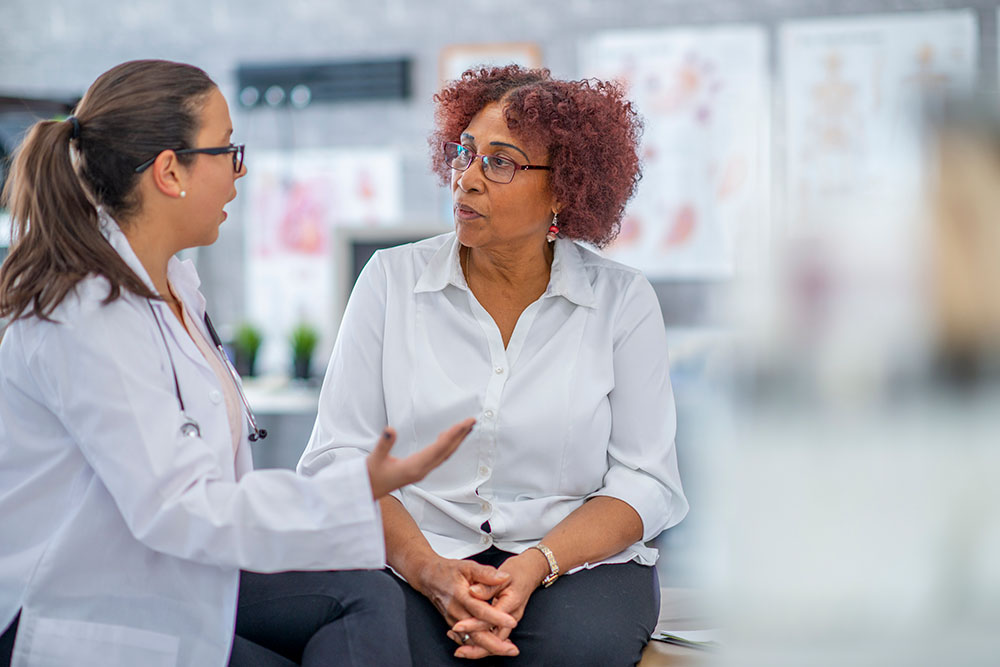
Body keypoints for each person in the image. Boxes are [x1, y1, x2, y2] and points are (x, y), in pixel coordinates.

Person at [0, 59, 475, 667]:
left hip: (164, 562)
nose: (239, 172)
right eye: (228, 150)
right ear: (170, 171)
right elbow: (179, 508)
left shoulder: (172, 283)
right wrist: (356, 489)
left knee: (365, 593)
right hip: (74, 601)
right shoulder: (87, 311)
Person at [298, 65, 688, 666]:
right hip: (411, 556)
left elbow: (646, 480)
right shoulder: (389, 281)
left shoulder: (621, 300)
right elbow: (336, 459)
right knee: (383, 643)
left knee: (572, 652)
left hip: (574, 564)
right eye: (465, 153)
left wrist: (535, 565)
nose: (467, 180)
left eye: (500, 162)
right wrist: (428, 570)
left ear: (565, 188)